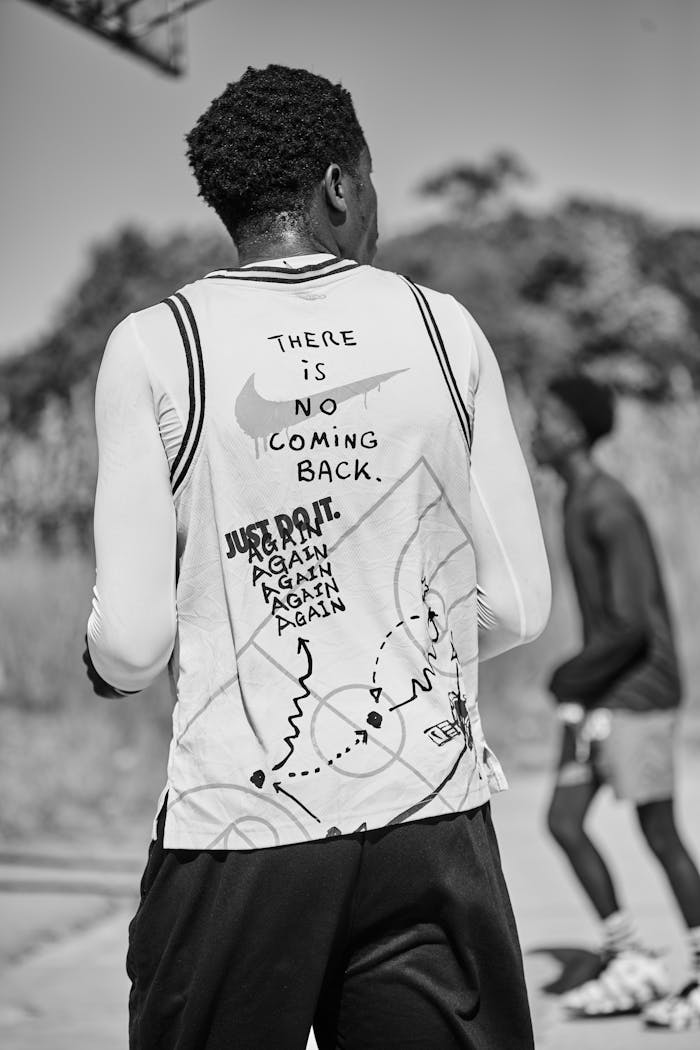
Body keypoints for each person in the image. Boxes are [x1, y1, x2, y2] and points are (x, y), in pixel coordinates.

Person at [83, 64, 551, 1050]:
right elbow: (514, 607)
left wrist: (108, 659)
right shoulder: (441, 327)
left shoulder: (156, 344)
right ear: (340, 185)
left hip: (242, 831)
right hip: (432, 817)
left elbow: (130, 644)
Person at [532, 372, 700, 1030]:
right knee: (564, 821)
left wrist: (566, 681)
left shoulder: (607, 504)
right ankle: (629, 960)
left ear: (573, 429)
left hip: (639, 691)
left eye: (544, 415)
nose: (533, 427)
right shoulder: (575, 501)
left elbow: (630, 624)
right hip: (603, 689)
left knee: (657, 831)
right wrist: (579, 685)